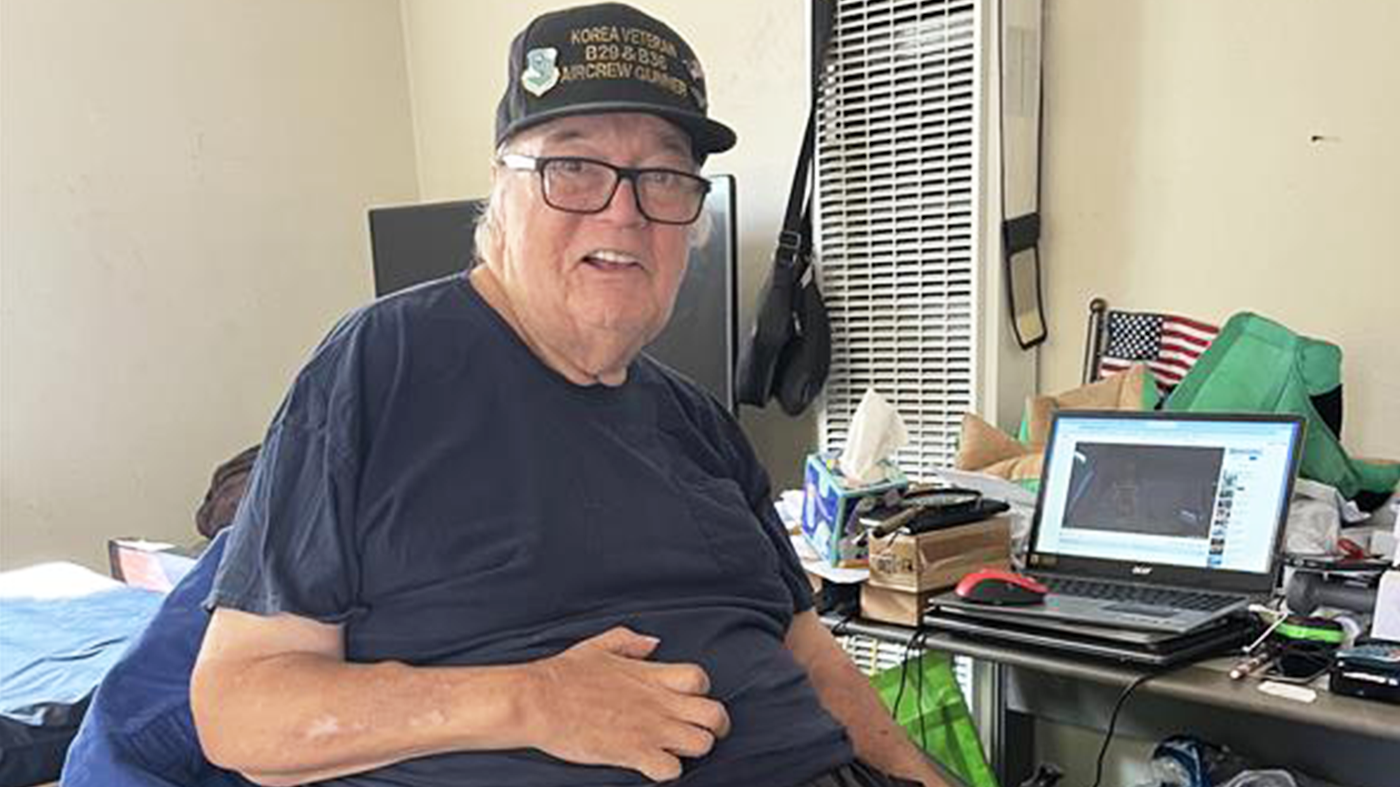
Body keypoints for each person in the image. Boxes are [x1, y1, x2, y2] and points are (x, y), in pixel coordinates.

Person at [189, 4, 953, 787]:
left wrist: (925, 778)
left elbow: (808, 651)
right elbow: (241, 708)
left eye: (662, 175)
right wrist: (530, 699)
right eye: (574, 166)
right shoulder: (378, 368)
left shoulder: (698, 422)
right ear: (501, 191)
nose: (624, 210)